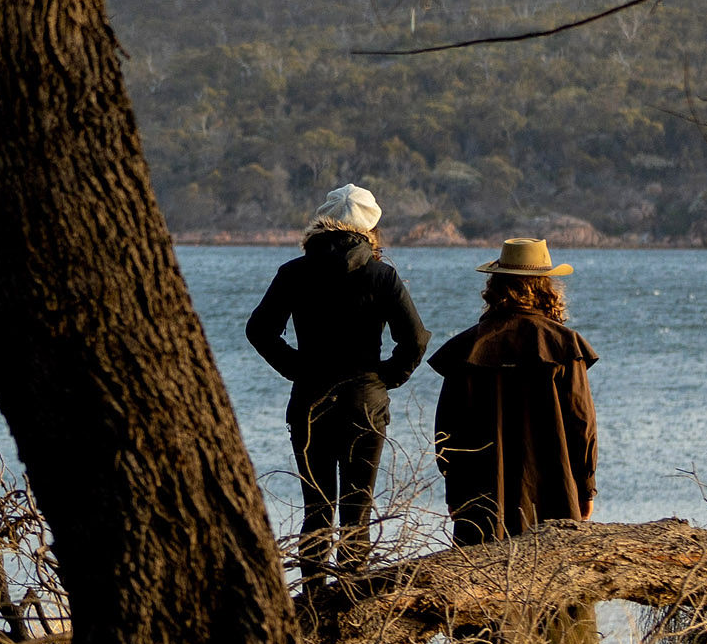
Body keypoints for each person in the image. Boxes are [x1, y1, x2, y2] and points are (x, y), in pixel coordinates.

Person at [244, 184, 428, 582]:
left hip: (310, 399)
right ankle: (349, 594)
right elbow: (415, 339)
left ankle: (312, 595)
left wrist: (296, 368)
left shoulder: (294, 272)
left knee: (317, 509)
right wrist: (385, 378)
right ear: (369, 230)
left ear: (321, 226)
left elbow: (259, 330)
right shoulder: (382, 275)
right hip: (365, 402)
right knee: (357, 509)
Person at [430, 238, 601, 545]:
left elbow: (448, 431)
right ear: (546, 287)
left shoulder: (468, 347)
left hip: (480, 495)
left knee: (480, 572)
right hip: (555, 491)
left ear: (496, 286)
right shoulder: (564, 345)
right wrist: (586, 487)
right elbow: (581, 423)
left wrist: (454, 491)